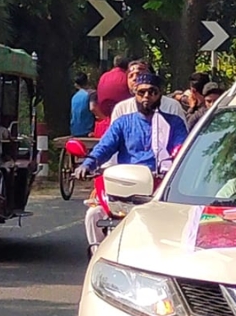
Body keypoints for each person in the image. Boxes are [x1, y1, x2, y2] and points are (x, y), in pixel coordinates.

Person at [73, 73, 189, 251]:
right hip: (124, 190)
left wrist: (176, 156)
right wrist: (87, 164)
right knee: (94, 215)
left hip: (159, 190)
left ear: (160, 94)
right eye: (141, 92)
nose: (146, 97)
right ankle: (98, 256)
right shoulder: (122, 123)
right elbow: (104, 147)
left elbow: (181, 149)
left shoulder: (173, 123)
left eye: (152, 92)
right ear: (134, 93)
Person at [111, 60, 187, 124]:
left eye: (139, 74)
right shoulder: (121, 108)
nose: (134, 78)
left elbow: (182, 138)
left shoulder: (172, 106)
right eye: (130, 76)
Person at [70, 72, 94, 137]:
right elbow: (93, 108)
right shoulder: (91, 94)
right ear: (87, 81)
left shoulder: (74, 97)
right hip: (88, 131)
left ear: (76, 84)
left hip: (75, 131)